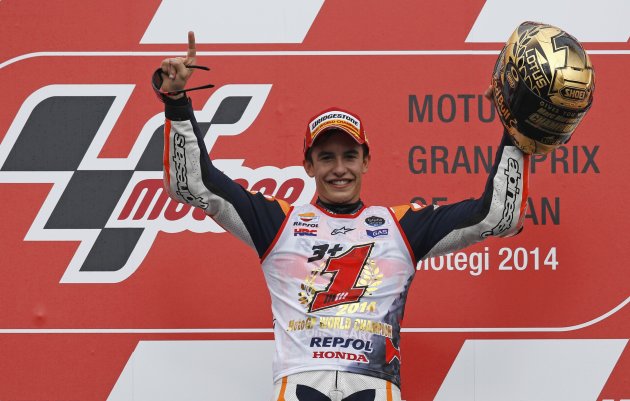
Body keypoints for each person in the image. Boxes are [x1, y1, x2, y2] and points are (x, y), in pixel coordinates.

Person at [155, 32, 530, 401]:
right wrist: (176, 102)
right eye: (326, 157)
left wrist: (515, 128)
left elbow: (498, 216)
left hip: (375, 386)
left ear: (366, 161)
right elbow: (193, 183)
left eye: (349, 156)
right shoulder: (277, 223)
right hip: (299, 384)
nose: (339, 169)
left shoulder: (402, 226)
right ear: (308, 165)